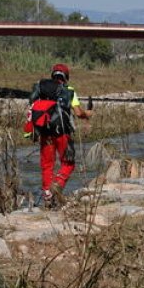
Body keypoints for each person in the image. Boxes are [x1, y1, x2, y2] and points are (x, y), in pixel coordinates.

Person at [27, 63, 91, 208]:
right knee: (68, 163)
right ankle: (58, 184)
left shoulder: (41, 88)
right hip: (63, 133)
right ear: (66, 77)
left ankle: (47, 197)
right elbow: (79, 113)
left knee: (47, 165)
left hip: (45, 133)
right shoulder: (69, 91)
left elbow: (31, 101)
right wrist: (88, 114)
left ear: (53, 76)